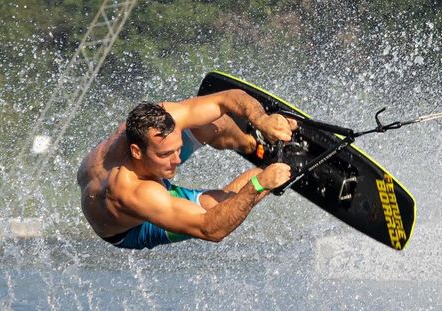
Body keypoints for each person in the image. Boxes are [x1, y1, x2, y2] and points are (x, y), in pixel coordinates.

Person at [78, 90, 297, 250]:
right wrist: (259, 184)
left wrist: (262, 120)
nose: (176, 161)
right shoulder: (137, 194)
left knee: (213, 123)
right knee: (220, 206)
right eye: (165, 155)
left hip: (143, 171)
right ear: (136, 151)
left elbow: (226, 99)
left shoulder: (160, 119)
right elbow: (210, 229)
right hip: (130, 228)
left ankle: (254, 144)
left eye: (178, 150)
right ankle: (278, 167)